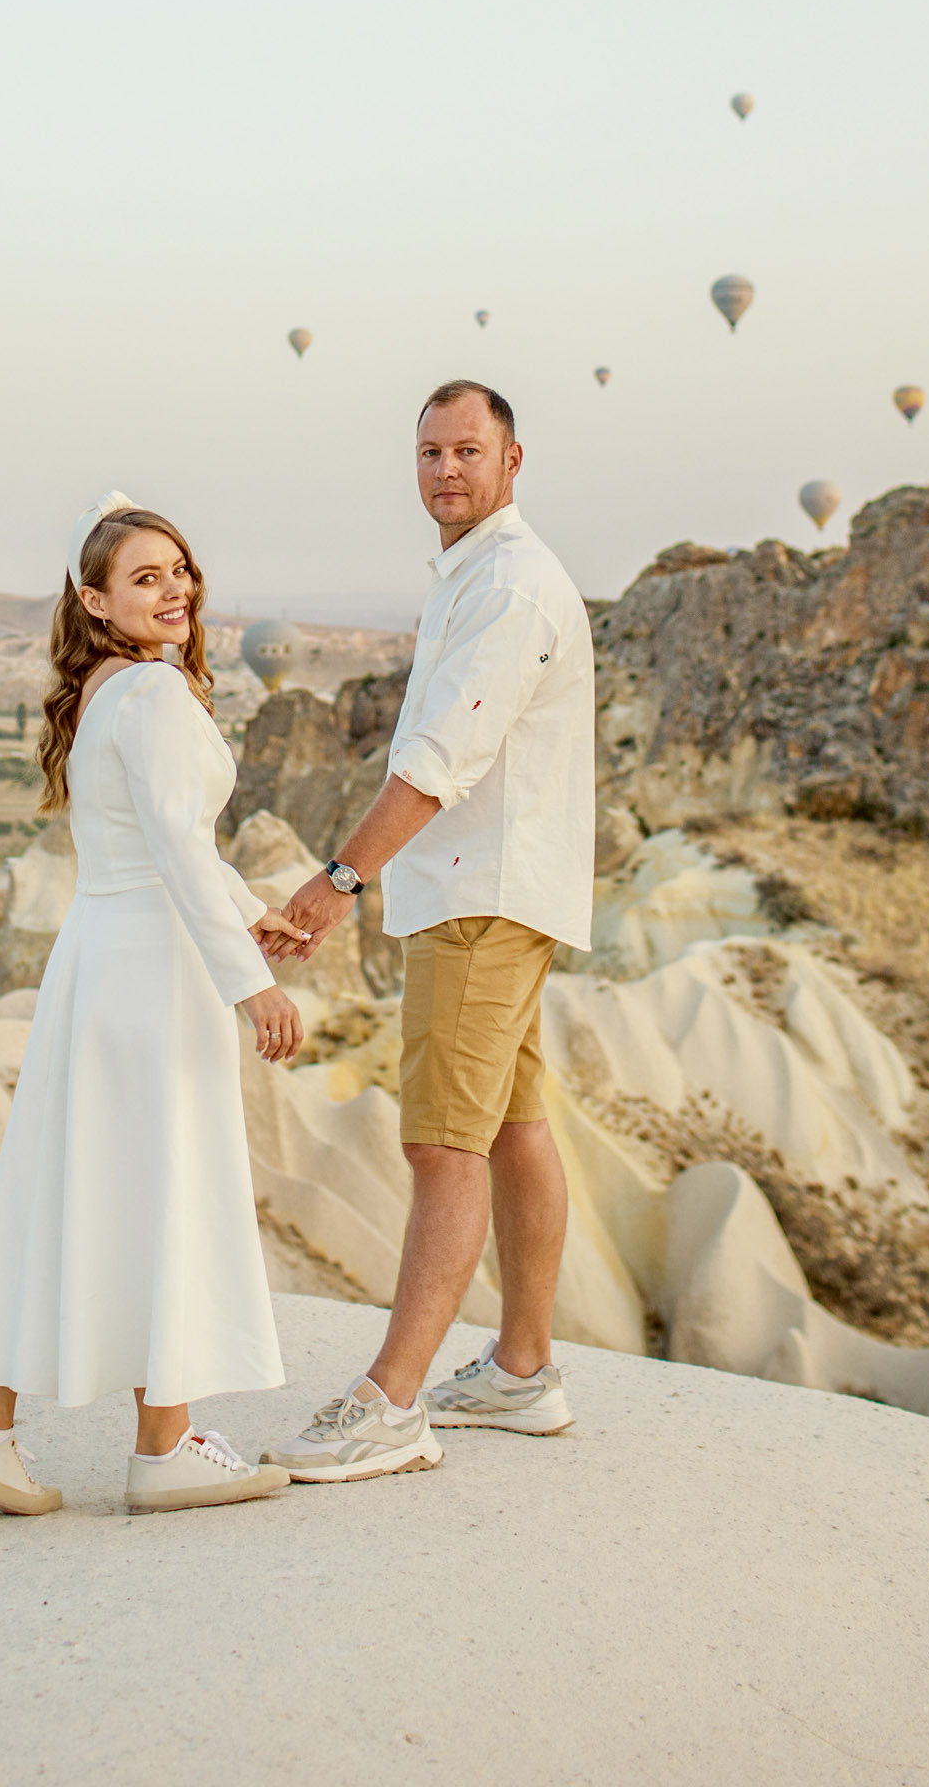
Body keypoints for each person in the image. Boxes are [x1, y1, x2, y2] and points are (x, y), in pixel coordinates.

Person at [0, 491, 306, 1518]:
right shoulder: (156, 694)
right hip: (154, 972)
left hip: (98, 958)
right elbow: (177, 847)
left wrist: (250, 912)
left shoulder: (103, 689)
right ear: (94, 601)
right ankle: (163, 1447)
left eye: (179, 570)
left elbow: (157, 843)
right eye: (145, 578)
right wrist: (252, 983)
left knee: (78, 1188)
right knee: (164, 1189)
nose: (174, 589)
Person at [263, 382, 594, 1484]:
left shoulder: (510, 587)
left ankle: (391, 1402)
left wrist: (338, 880)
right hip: (491, 890)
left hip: (476, 896)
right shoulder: (478, 573)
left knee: (441, 1144)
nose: (445, 470)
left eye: (467, 450)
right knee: (509, 1127)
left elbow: (439, 758)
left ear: (512, 460)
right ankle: (522, 1370)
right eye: (429, 453)